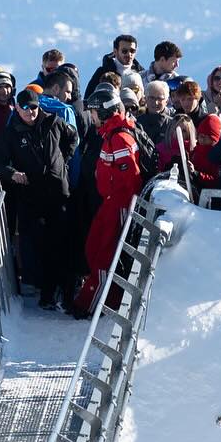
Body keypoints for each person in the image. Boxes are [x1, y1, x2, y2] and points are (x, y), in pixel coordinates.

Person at [0, 86, 79, 310]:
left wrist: (63, 161)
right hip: (31, 194)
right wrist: (13, 173)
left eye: (33, 107)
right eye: (25, 108)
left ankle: (63, 292)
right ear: (17, 109)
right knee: (36, 244)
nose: (30, 112)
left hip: (57, 191)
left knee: (61, 242)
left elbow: (73, 138)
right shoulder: (12, 132)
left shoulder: (53, 122)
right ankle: (43, 291)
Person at [73, 94, 143, 315]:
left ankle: (91, 304)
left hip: (118, 204)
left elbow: (130, 176)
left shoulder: (119, 137)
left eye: (93, 112)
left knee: (104, 253)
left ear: (103, 113)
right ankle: (107, 298)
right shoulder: (110, 134)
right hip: (110, 202)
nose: (91, 116)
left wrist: (120, 202)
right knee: (93, 247)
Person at [84, 33, 143, 101]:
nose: (129, 54)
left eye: (132, 51)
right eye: (124, 51)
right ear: (115, 51)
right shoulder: (102, 72)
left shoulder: (140, 73)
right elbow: (88, 99)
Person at [140, 80, 174, 147]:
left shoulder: (173, 125)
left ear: (167, 101)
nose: (155, 102)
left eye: (159, 98)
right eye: (152, 98)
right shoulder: (137, 123)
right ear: (146, 99)